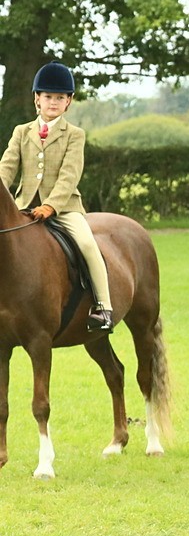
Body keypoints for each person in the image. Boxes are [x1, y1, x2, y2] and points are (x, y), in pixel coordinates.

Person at [1, 61, 113, 332]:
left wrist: (51, 205)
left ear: (69, 102)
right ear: (37, 99)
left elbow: (69, 175)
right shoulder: (21, 132)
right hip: (24, 207)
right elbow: (7, 167)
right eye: (48, 96)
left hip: (65, 209)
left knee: (87, 244)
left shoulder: (74, 135)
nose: (53, 102)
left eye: (60, 97)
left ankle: (103, 307)